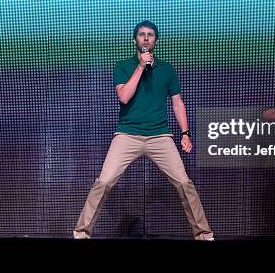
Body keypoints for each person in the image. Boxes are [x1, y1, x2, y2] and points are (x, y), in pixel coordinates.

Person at [74, 20, 214, 240]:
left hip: (160, 136)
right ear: (135, 40)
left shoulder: (166, 69)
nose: (146, 38)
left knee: (184, 183)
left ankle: (204, 235)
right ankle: (81, 233)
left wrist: (185, 133)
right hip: (127, 135)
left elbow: (178, 103)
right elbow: (124, 96)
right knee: (104, 181)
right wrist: (140, 66)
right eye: (141, 34)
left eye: (150, 35)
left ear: (155, 41)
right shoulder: (123, 66)